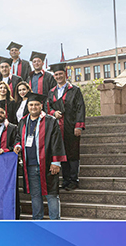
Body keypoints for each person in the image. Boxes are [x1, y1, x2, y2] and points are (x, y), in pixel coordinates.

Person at [15, 92, 66, 220]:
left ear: (41, 106)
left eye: (36, 104)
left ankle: (55, 222)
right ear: (28, 106)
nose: (34, 107)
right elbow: (18, 138)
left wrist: (56, 162)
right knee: (35, 195)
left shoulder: (50, 121)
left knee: (51, 194)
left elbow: (57, 142)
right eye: (31, 105)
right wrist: (18, 145)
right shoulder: (23, 121)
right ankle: (37, 221)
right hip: (30, 164)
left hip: (47, 164)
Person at [47, 62, 86, 191]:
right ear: (54, 76)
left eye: (60, 74)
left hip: (71, 125)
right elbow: (48, 107)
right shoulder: (51, 92)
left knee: (72, 153)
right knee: (62, 153)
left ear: (65, 75)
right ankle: (65, 180)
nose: (58, 76)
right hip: (57, 127)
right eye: (56, 74)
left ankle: (74, 180)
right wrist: (53, 113)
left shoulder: (74, 90)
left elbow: (80, 108)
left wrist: (78, 126)